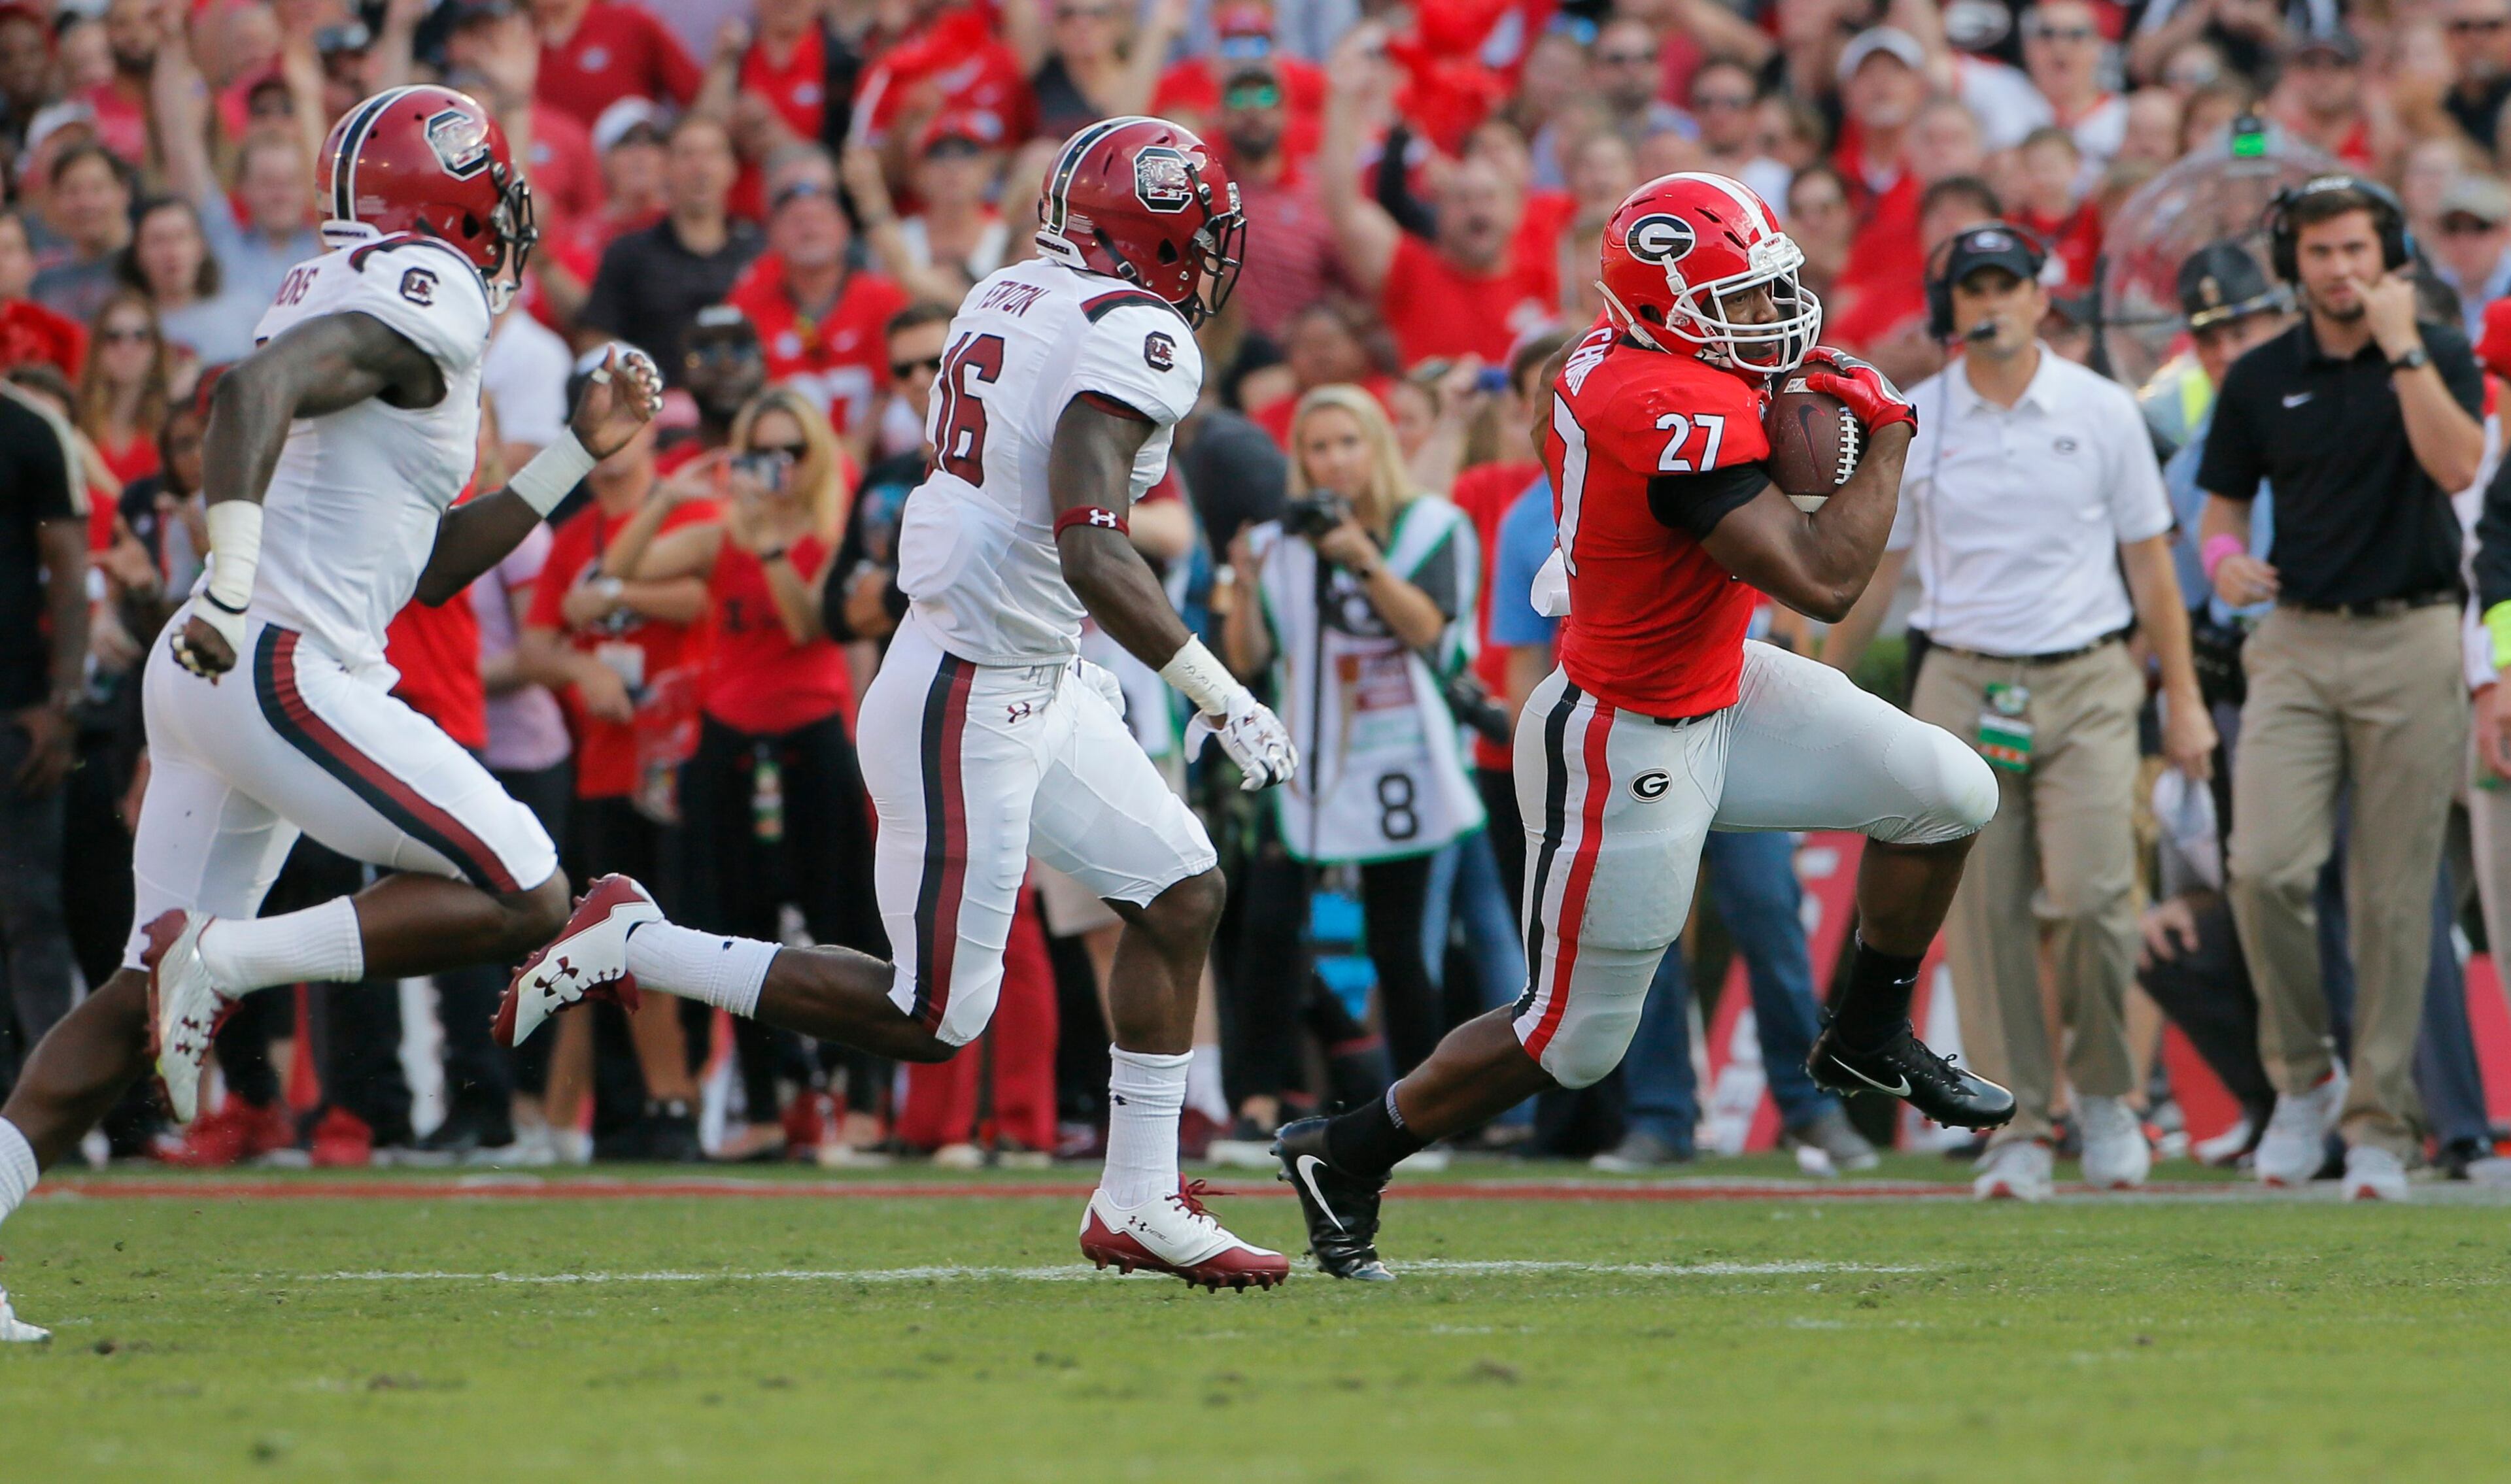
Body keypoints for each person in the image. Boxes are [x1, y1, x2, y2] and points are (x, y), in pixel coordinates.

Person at [500, 118, 1299, 1290]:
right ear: (1154, 233)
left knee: (1180, 892)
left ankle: (1138, 1199)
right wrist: (1221, 694)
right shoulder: (1135, 331)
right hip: (969, 689)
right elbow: (1092, 547)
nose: (1213, 258)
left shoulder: (1015, 289)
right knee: (935, 1015)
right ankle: (640, 940)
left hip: (1022, 668)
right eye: (1197, 232)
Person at [0, 84, 660, 1342]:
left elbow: (421, 569)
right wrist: (238, 578)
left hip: (224, 661)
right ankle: (234, 959)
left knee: (140, 990)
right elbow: (247, 401)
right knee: (528, 886)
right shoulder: (432, 286)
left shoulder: (345, 280)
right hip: (271, 656)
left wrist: (575, 457)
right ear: (456, 203)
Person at [1274, 173, 2007, 1283]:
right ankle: (1345, 1153)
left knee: (1951, 794)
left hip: (1719, 682)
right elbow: (1824, 581)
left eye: (1769, 296)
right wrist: (1892, 434)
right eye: (1741, 304)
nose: (1767, 321)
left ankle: (1865, 1033)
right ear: (1664, 311)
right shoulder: (1662, 408)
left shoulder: (1612, 359)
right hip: (1625, 734)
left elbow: (1590, 414)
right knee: (1572, 1039)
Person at [1823, 223, 2213, 1202]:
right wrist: (1817, 677)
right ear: (1946, 306)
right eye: (1972, 286)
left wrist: (2186, 700)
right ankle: (2019, 1126)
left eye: (2008, 282)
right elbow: (1881, 568)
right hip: (1961, 678)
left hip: (2087, 676)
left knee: (2092, 897)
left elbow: (2151, 563)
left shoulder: (2102, 409)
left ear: (2044, 296)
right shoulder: (1914, 420)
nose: (1991, 300)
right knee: (1987, 912)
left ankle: (2109, 1097)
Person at [2201, 177, 2485, 1201]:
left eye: (2358, 248)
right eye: (2320, 251)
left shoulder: (2440, 353)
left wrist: (2406, 344)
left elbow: (2458, 468)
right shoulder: (2261, 373)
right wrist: (2228, 555)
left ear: (2391, 252)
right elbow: (2223, 501)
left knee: (2395, 898)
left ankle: (2379, 1124)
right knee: (2264, 867)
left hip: (2411, 636)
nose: (2341, 269)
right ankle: (2305, 1079)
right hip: (2296, 640)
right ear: (2293, 263)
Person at [596, 384, 887, 1151]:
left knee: (843, 920)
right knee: (736, 928)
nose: (779, 466)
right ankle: (762, 1109)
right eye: (765, 451)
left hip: (813, 737)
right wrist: (668, 497)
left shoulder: (829, 532)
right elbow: (613, 569)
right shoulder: (722, 531)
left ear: (815, 456)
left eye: (794, 451)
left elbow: (804, 621)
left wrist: (765, 542)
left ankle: (858, 1100)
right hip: (729, 742)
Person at [1223, 386, 1482, 1079]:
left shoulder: (1432, 525)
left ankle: (1421, 1103)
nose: (1335, 460)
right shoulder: (1280, 542)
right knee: (1270, 928)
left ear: (1378, 446)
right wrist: (1245, 584)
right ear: (1300, 459)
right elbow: (1247, 658)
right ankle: (1257, 1099)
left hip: (1402, 750)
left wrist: (1363, 559)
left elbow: (1433, 631)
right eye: (1318, 446)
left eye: (1348, 442)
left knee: (1400, 941)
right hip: (1307, 757)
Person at [1319, 24, 1556, 366]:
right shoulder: (1412, 272)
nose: (1476, 209)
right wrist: (1342, 96)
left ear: (1515, 209)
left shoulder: (1545, 270)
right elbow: (1345, 209)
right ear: (1439, 210)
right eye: (1462, 199)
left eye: (1488, 197)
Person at [0, 349, 82, 1144]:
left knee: (29, 912)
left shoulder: (27, 428)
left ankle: (47, 1117)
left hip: (13, 707)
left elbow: (67, 565)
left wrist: (61, 700)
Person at [581, 114, 760, 382]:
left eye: (712, 154)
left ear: (733, 168)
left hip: (747, 402)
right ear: (665, 168)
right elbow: (594, 338)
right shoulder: (629, 254)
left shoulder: (760, 251)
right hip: (658, 406)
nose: (700, 169)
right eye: (687, 155)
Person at [120, 197, 261, 367]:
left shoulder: (248, 313)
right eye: (158, 240)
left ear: (201, 246)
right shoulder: (125, 330)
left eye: (181, 237)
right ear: (138, 253)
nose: (172, 253)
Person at [74, 289, 173, 489]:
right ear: (96, 348)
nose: (126, 349)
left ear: (156, 347)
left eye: (140, 336)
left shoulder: (171, 424)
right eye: (113, 337)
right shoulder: (76, 419)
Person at [30, 141, 131, 324]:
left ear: (123, 192)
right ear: (55, 200)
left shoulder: (147, 266)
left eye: (97, 189)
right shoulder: (42, 278)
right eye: (72, 191)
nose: (85, 202)